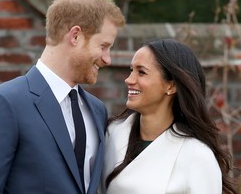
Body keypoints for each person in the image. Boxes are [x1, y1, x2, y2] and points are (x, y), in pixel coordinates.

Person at [0, 0, 125, 194]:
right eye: (103, 46)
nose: (107, 59)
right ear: (75, 36)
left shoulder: (96, 109)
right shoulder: (5, 103)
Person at [101, 39, 238, 194]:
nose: (129, 79)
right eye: (131, 70)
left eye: (141, 72)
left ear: (171, 86)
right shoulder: (112, 134)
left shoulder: (197, 156)